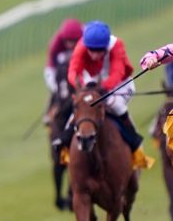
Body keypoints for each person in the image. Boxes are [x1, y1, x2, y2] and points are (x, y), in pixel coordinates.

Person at [54, 20, 145, 156]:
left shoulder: (116, 46)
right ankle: (65, 139)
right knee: (83, 104)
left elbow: (117, 73)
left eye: (100, 51)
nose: (95, 55)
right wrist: (78, 85)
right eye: (92, 50)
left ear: (106, 46)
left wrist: (102, 88)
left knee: (116, 106)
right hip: (94, 80)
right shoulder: (81, 45)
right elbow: (73, 71)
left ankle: (135, 142)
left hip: (121, 84)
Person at [43, 18, 83, 123]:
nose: (71, 44)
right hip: (61, 71)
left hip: (80, 69)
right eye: (68, 41)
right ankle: (50, 110)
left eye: (74, 41)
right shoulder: (55, 44)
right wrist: (55, 87)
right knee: (58, 89)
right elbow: (50, 68)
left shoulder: (85, 39)